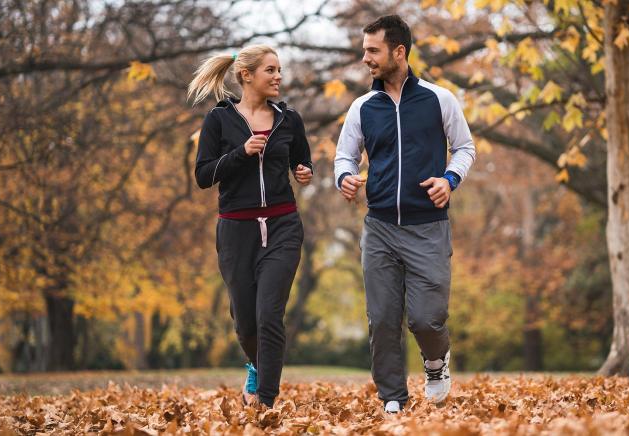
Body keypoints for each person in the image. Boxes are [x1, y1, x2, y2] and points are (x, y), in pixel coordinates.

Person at [334, 15, 476, 414]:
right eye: (364, 51)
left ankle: (435, 363)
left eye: (373, 51)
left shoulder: (439, 99)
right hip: (378, 227)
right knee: (381, 319)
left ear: (399, 51)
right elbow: (345, 155)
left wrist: (450, 179)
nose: (366, 59)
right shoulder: (363, 107)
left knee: (427, 320)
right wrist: (344, 176)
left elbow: (465, 148)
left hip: (427, 228)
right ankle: (392, 399)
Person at [188, 45, 313, 408]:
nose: (278, 76)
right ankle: (257, 368)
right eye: (270, 70)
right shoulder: (219, 120)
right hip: (236, 230)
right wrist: (240, 154)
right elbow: (202, 175)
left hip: (283, 225)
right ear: (247, 76)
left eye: (279, 70)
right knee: (245, 322)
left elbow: (301, 161)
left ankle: (266, 402)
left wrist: (304, 172)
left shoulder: (289, 119)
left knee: (269, 315)